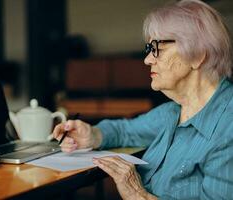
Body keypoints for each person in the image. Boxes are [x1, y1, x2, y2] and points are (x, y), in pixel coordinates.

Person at [53, 0, 233, 199]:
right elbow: (126, 131)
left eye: (157, 47)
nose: (147, 59)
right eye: (149, 48)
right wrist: (92, 134)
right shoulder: (174, 111)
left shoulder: (228, 126)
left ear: (197, 55)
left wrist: (138, 195)